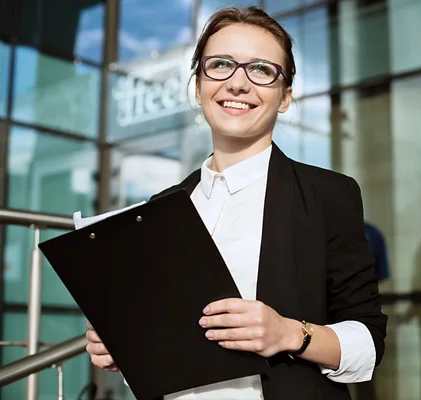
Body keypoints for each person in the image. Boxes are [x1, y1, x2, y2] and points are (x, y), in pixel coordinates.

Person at [84, 6, 387, 400]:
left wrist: (289, 333)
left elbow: (369, 342)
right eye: (221, 64)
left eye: (261, 69)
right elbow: (165, 350)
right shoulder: (162, 210)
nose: (238, 83)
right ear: (197, 87)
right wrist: (126, 349)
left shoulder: (328, 195)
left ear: (284, 97)